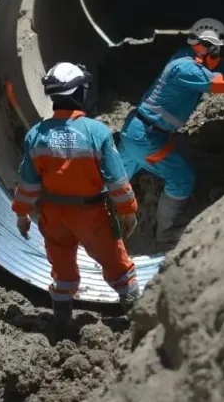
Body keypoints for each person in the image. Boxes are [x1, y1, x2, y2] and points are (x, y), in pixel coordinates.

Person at [12, 62, 140, 335]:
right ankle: (136, 316)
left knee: (61, 266)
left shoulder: (36, 135)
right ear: (80, 92)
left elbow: (28, 182)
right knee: (116, 262)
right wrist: (127, 210)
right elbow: (116, 180)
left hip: (53, 216)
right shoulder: (95, 132)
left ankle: (61, 323)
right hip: (90, 215)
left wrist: (22, 213)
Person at [116, 18, 224, 250]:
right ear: (208, 46)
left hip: (136, 130)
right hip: (146, 137)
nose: (218, 54)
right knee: (181, 179)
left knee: (116, 179)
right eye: (216, 49)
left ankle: (90, 216)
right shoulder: (186, 69)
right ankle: (165, 234)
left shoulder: (188, 56)